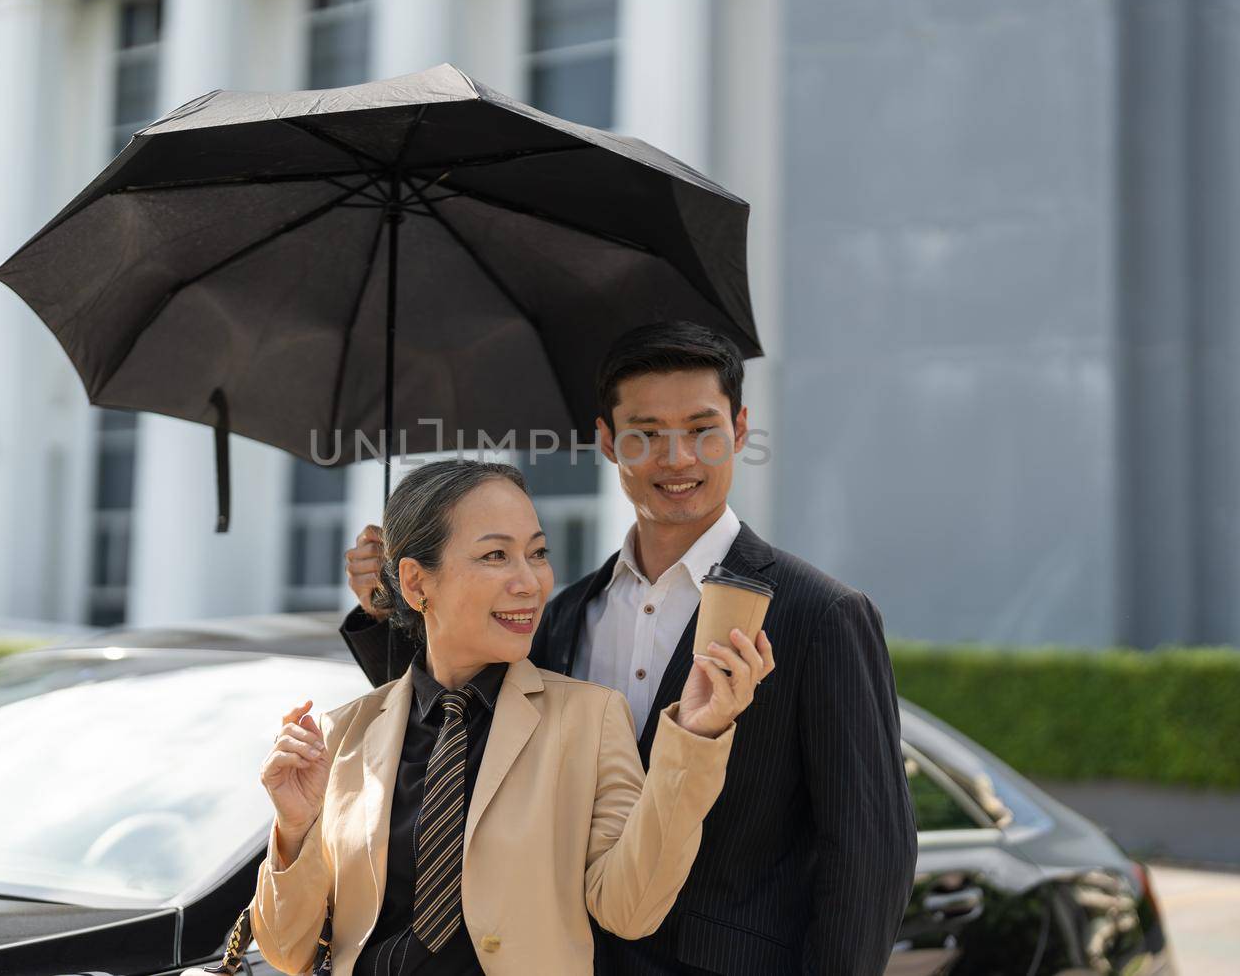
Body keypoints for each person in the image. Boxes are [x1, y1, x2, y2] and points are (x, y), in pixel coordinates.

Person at [340, 321, 917, 976]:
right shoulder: (559, 616)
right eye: (645, 433)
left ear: (741, 430)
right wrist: (394, 605)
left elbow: (870, 853)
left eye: (702, 429)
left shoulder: (822, 615)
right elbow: (458, 742)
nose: (676, 458)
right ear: (610, 441)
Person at [253, 459, 775, 975]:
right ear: (415, 583)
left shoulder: (589, 720)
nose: (530, 582)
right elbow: (287, 951)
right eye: (496, 555)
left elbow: (631, 911)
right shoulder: (343, 734)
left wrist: (696, 733)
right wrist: (293, 830)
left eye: (538, 553)